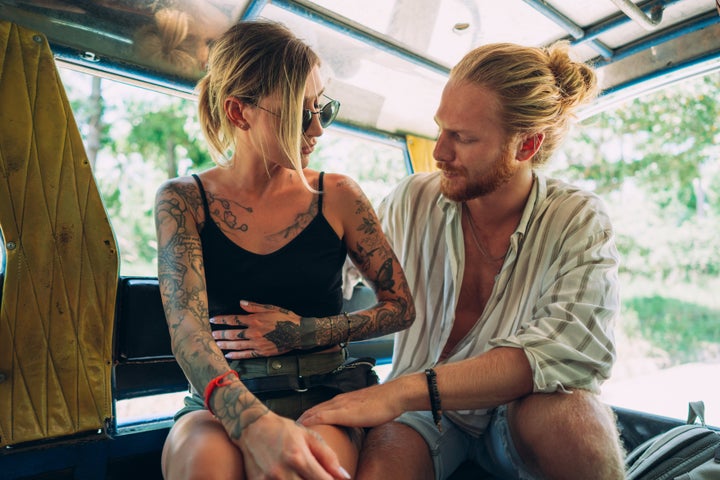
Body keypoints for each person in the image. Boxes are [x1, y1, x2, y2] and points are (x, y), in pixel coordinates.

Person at [299, 42, 626, 480]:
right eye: (441, 129)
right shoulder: (413, 199)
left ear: (526, 145)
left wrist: (401, 391)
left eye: (463, 138)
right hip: (418, 418)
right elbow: (331, 275)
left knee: (574, 419)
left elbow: (570, 352)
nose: (439, 153)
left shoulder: (577, 219)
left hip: (521, 409)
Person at [154, 20, 415, 480]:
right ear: (239, 113)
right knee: (204, 465)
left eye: (323, 109)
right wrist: (252, 423)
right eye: (300, 113)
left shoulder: (339, 196)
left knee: (299, 469)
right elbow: (188, 335)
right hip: (224, 398)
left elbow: (401, 307)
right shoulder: (183, 201)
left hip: (325, 391)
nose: (318, 128)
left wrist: (306, 333)